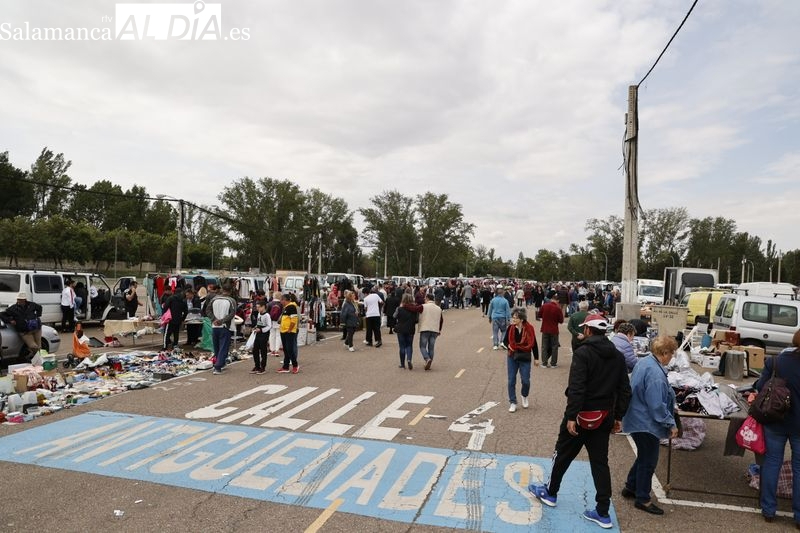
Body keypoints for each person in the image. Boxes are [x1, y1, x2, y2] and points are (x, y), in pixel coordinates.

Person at [529, 313, 632, 530]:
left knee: (562, 455)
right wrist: (619, 417)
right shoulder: (618, 356)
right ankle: (603, 511)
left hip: (581, 416)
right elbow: (624, 390)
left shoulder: (583, 353)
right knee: (600, 463)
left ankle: (550, 492)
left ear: (587, 331)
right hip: (604, 416)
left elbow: (577, 388)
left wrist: (570, 416)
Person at [620, 335, 678, 516]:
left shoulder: (645, 362)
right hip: (645, 422)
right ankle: (643, 498)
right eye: (672, 353)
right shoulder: (655, 374)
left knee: (644, 456)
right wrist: (671, 423)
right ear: (665, 353)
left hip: (636, 417)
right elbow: (656, 405)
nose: (672, 357)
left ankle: (631, 486)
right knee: (649, 460)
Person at [756, 329, 800, 525]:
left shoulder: (776, 361)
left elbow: (760, 386)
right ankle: (799, 516)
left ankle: (768, 510)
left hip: (775, 419)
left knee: (772, 462)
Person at [506, 307, 538, 412]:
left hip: (525, 356)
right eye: (513, 317)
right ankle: (513, 402)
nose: (513, 320)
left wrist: (536, 358)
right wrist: (508, 346)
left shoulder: (529, 328)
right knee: (511, 380)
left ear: (522, 319)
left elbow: (534, 343)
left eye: (515, 318)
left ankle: (524, 396)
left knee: (525, 381)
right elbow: (505, 341)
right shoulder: (510, 328)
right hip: (512, 356)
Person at [205, 284, 237, 375]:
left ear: (222, 290)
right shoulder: (231, 301)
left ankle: (220, 363)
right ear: (230, 292)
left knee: (217, 347)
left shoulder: (214, 299)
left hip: (215, 326)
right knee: (223, 347)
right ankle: (218, 367)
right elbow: (232, 313)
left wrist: (214, 319)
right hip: (225, 326)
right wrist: (222, 321)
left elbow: (207, 310)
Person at [4, 292, 43, 360]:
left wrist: (37, 316)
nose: (20, 301)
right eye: (19, 299)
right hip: (24, 331)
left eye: (22, 299)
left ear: (25, 299)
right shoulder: (13, 308)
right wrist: (10, 320)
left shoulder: (31, 304)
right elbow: (2, 314)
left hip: (36, 329)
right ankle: (38, 357)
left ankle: (38, 360)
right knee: (33, 346)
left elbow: (40, 307)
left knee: (39, 346)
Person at [394, 293, 423, 369]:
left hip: (400, 329)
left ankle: (402, 364)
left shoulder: (399, 308)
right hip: (410, 329)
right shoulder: (414, 309)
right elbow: (417, 320)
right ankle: (409, 359)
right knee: (409, 345)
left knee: (402, 346)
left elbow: (394, 316)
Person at [419, 292, 444, 371]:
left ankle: (427, 359)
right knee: (431, 347)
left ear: (427, 298)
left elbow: (414, 309)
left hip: (425, 328)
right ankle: (430, 361)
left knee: (422, 346)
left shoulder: (423, 306)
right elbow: (441, 320)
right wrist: (439, 329)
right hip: (434, 329)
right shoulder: (438, 308)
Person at [277, 293, 300, 373]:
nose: (280, 301)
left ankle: (295, 365)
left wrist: (290, 329)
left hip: (289, 331)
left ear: (285, 300)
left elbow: (294, 319)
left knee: (290, 349)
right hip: (283, 330)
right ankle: (285, 366)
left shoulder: (292, 307)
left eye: (281, 300)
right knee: (286, 349)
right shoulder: (285, 308)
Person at [540, 293, 564, 368]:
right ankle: (553, 363)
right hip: (554, 329)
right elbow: (561, 320)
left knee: (544, 346)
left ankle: (544, 363)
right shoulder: (558, 308)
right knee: (554, 347)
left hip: (545, 328)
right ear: (557, 301)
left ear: (551, 299)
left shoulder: (544, 306)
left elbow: (539, 315)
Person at [250, 300, 272, 374]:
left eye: (259, 307)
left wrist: (261, 330)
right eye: (257, 307)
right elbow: (258, 322)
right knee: (255, 350)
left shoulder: (267, 315)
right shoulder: (259, 314)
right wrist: (255, 327)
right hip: (258, 333)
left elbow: (269, 326)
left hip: (264, 334)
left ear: (263, 307)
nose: (258, 309)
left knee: (263, 351)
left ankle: (263, 367)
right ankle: (257, 366)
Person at [267, 292, 284, 357]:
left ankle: (272, 350)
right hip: (279, 322)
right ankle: (277, 350)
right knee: (278, 335)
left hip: (271, 322)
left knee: (271, 335)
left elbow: (267, 313)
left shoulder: (269, 304)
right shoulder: (281, 304)